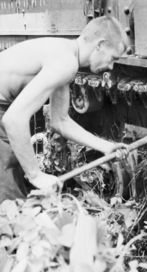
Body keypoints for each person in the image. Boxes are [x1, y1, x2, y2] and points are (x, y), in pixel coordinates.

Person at [0, 15, 129, 203]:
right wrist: (36, 176)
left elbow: (60, 121)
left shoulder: (65, 55)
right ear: (100, 45)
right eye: (113, 58)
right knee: (10, 201)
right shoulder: (65, 62)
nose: (111, 66)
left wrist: (106, 146)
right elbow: (13, 120)